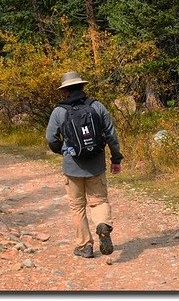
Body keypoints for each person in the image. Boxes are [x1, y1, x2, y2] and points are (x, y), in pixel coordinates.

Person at [45, 71, 124, 258]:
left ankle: (85, 246)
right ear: (82, 86)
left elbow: (50, 137)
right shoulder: (97, 106)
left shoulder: (59, 111)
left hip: (72, 166)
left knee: (78, 206)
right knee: (99, 201)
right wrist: (116, 158)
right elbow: (111, 135)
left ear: (65, 91)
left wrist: (61, 150)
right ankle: (102, 224)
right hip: (96, 164)